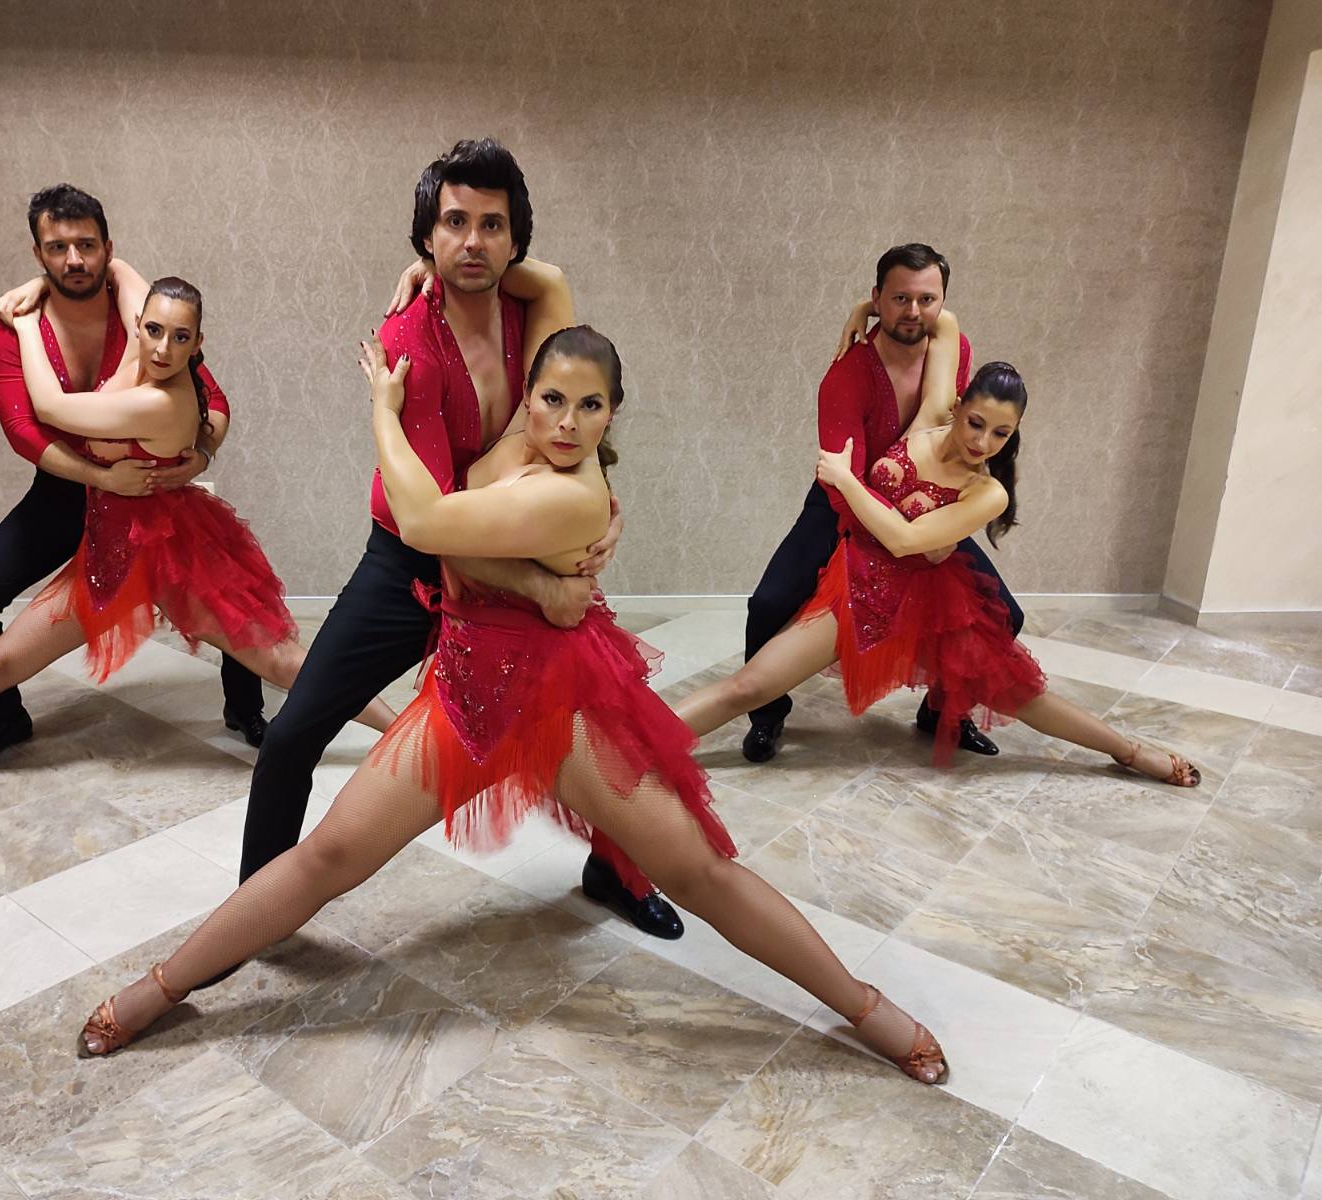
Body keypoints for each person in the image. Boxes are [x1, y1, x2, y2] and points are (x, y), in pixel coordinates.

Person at [75, 324, 951, 1087]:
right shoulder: (511, 452)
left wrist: (382, 408)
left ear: (614, 416)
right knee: (330, 854)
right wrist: (531, 581)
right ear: (529, 397)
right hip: (462, 695)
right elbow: (452, 548)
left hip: (559, 708)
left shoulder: (575, 493)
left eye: (591, 407)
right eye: (553, 399)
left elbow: (425, 524)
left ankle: (863, 1005)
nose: (567, 422)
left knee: (697, 872)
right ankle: (163, 987)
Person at [229, 139, 683, 941]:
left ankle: (616, 872)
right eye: (453, 223)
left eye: (491, 225)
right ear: (426, 235)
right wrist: (545, 588)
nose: (472, 242)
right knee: (294, 733)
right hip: (411, 560)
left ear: (515, 241)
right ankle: (254, 914)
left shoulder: (532, 310)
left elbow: (570, 416)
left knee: (611, 726)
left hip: (507, 538)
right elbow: (432, 519)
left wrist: (600, 515)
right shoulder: (409, 340)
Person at [0, 277, 395, 794]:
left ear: (198, 344)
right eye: (154, 330)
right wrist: (38, 285)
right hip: (109, 555)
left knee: (281, 661)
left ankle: (400, 732)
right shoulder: (139, 357)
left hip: (170, 555)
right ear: (139, 324)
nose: (163, 348)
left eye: (180, 338)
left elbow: (49, 407)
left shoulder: (160, 401)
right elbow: (115, 270)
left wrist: (23, 320)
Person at [672, 311, 1202, 788]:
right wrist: (866, 309)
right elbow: (943, 320)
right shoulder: (931, 416)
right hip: (856, 583)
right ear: (959, 404)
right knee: (748, 686)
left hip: (929, 605)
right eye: (976, 423)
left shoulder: (987, 492)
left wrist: (845, 479)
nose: (981, 443)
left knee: (1025, 697)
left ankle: (1131, 753)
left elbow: (903, 539)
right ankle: (637, 743)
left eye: (1001, 434)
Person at [0, 184, 268, 773]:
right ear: (38, 254)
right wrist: (100, 476)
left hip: (145, 493)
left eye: (87, 245)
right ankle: (3, 720)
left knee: (229, 594)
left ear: (107, 247)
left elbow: (212, 397)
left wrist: (201, 454)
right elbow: (23, 431)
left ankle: (245, 709)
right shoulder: (8, 328)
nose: (74, 259)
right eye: (58, 247)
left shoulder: (140, 314)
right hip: (65, 491)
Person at [740, 244, 1020, 764]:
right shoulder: (846, 373)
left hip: (921, 510)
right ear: (877, 298)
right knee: (769, 604)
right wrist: (896, 541)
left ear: (941, 303)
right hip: (843, 503)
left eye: (926, 299)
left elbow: (957, 439)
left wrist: (927, 532)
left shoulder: (953, 348)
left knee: (1005, 614)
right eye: (898, 299)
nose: (913, 311)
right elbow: (841, 476)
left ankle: (943, 712)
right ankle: (766, 713)